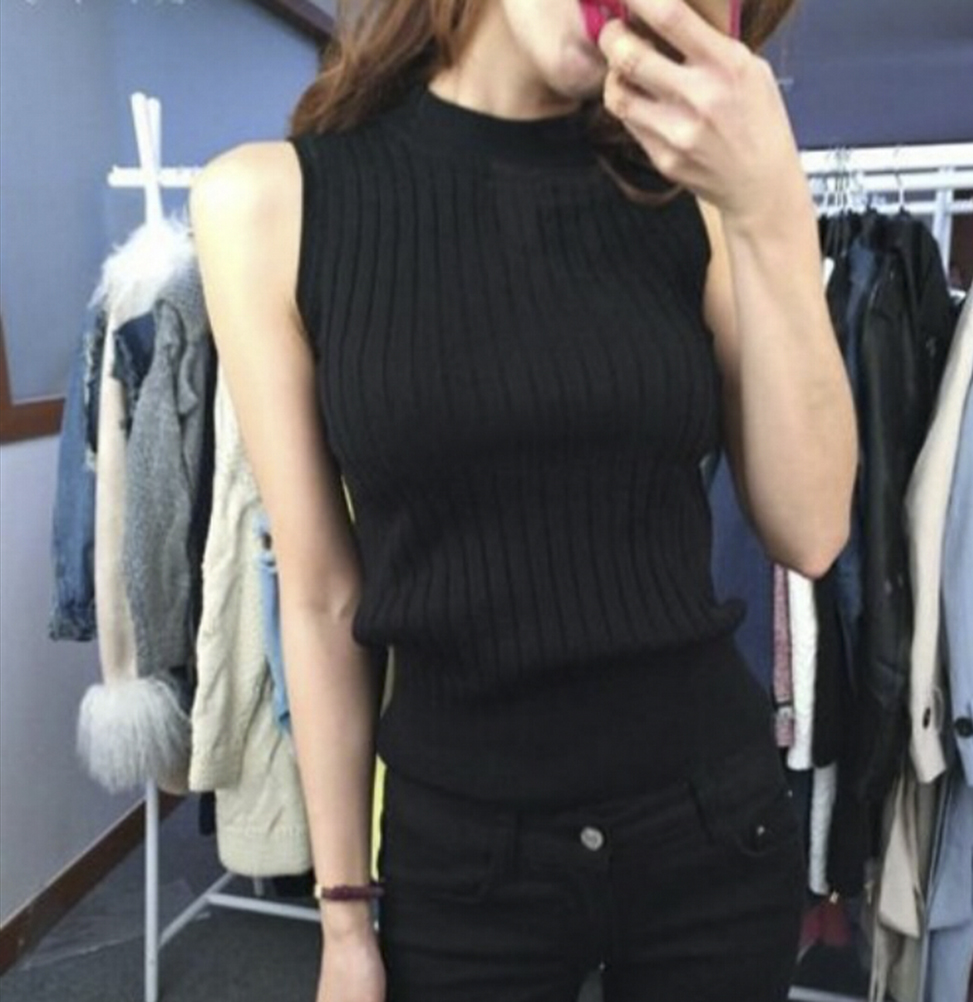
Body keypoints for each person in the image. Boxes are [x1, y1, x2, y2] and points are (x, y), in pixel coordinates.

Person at [190, 0, 858, 999]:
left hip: (711, 830)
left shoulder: (697, 194)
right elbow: (323, 596)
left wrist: (772, 209)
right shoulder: (267, 205)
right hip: (462, 858)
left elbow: (811, 528)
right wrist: (343, 921)